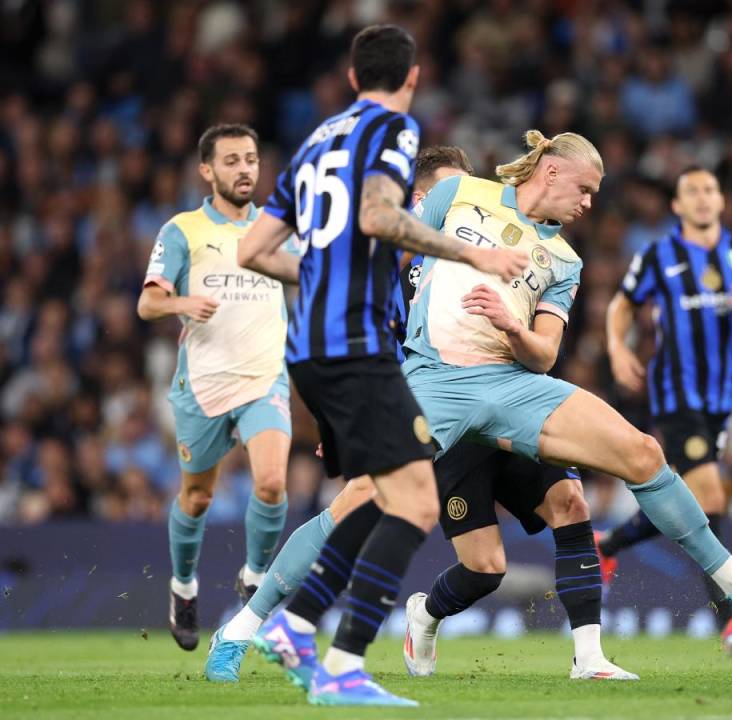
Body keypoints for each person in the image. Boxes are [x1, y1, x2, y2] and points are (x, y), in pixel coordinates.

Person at [399, 130, 732, 656]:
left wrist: (513, 328)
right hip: (444, 410)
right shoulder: (416, 255)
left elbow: (545, 354)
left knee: (589, 491)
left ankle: (604, 651)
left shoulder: (560, 259)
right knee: (482, 569)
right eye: (585, 189)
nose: (589, 203)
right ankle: (384, 615)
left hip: (511, 393)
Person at [227, 25, 527, 708]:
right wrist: (473, 253)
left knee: (385, 492)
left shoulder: (312, 143)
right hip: (356, 346)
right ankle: (342, 662)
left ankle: (297, 626)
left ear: (354, 76)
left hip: (309, 348)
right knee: (417, 502)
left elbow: (250, 250)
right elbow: (379, 217)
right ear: (412, 77)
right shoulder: (393, 130)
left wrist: (315, 270)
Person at [204, 145, 471, 684]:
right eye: (455, 196)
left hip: (464, 398)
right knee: (355, 506)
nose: (468, 208)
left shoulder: (454, 260)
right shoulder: (383, 251)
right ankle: (247, 630)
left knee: (544, 509)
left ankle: (586, 645)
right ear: (422, 200)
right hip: (393, 395)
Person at [599, 166, 732, 645]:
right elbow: (621, 303)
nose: (703, 199)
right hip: (676, 396)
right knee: (711, 496)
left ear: (721, 201)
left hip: (721, 399)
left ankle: (610, 542)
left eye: (710, 190)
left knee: (685, 499)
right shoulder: (659, 255)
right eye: (692, 192)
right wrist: (618, 348)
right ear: (677, 206)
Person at [137, 124, 291, 652]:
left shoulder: (277, 228)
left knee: (271, 482)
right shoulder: (181, 230)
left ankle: (252, 578)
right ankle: (183, 586)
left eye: (250, 158)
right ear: (207, 170)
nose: (244, 168)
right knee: (197, 496)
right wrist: (182, 303)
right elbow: (147, 303)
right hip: (203, 383)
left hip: (265, 376)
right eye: (231, 160)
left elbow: (308, 283)